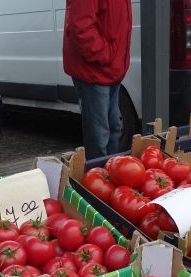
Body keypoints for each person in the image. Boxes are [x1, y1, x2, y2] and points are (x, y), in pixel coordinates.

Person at [63, 0, 132, 159]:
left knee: (114, 128)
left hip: (111, 68)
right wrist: (105, 55)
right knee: (99, 135)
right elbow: (80, 26)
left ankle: (112, 170)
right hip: (94, 70)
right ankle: (98, 172)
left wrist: (115, 59)